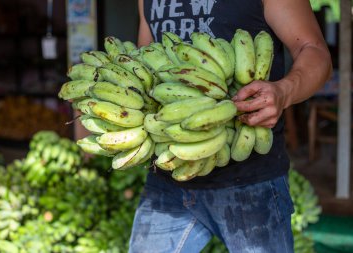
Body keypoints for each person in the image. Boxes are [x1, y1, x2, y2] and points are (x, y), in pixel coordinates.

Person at [129, 0, 332, 252]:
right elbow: (144, 62)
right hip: (168, 175)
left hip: (250, 181)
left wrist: (284, 90)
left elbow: (314, 50)